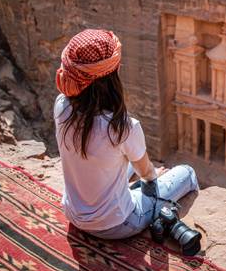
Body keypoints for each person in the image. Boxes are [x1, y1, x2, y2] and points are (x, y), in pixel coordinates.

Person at [54, 29, 198, 239]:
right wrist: (153, 175)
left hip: (73, 214)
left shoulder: (61, 106)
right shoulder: (122, 127)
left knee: (121, 161)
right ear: (112, 76)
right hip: (117, 224)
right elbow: (147, 174)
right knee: (187, 173)